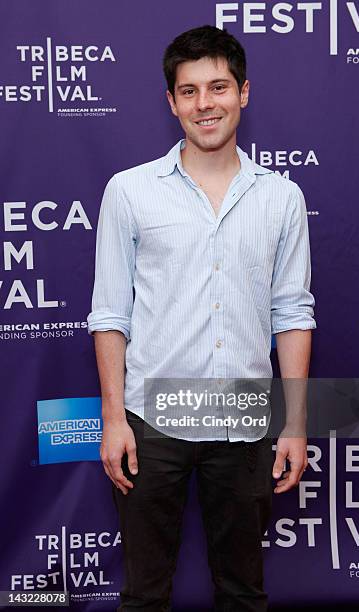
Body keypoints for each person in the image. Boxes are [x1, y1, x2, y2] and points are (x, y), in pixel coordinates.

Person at [87, 24, 316, 612]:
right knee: (144, 596)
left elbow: (292, 314)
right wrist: (114, 420)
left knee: (243, 593)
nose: (204, 104)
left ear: (244, 93)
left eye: (218, 87)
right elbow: (110, 314)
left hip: (244, 420)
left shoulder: (281, 198)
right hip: (150, 422)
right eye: (188, 92)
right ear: (171, 103)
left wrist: (293, 423)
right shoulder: (129, 192)